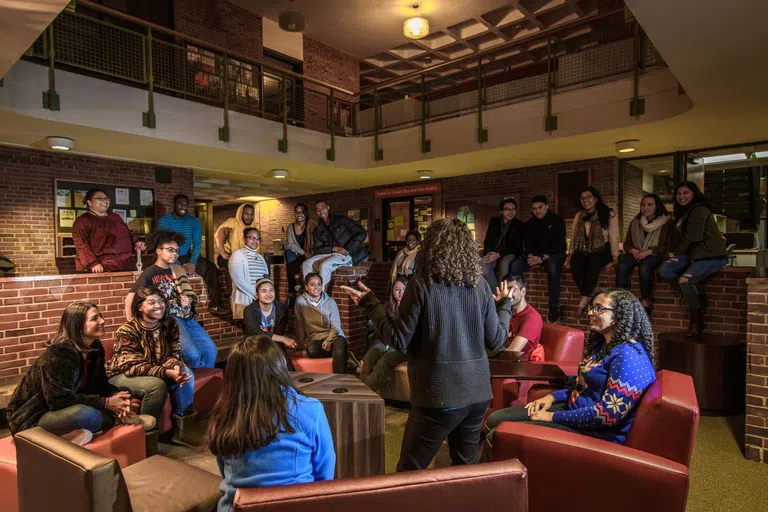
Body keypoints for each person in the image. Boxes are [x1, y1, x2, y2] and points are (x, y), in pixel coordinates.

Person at [341, 218, 514, 472]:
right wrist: (505, 306)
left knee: (409, 473)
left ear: (431, 247)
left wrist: (370, 303)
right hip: (477, 395)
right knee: (465, 471)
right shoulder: (479, 286)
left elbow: (399, 339)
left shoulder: (421, 285)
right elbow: (497, 340)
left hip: (439, 396)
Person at [485, 288, 656, 446]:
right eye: (592, 307)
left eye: (598, 308)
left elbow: (606, 415)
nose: (590, 312)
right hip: (573, 412)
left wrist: (552, 417)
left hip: (594, 433)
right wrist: (551, 398)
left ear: (619, 316)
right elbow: (582, 387)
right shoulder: (605, 346)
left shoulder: (629, 355)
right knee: (495, 419)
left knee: (498, 435)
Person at [206, 336, 335, 512]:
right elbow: (325, 474)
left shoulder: (223, 412)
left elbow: (224, 468)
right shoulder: (311, 409)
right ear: (279, 366)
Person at [5, 301, 154, 445]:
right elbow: (58, 401)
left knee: (124, 392)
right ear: (78, 326)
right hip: (33, 416)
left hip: (64, 406)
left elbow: (100, 385)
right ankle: (114, 420)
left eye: (100, 316)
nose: (102, 321)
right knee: (83, 414)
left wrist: (116, 396)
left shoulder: (95, 347)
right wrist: (107, 403)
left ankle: (70, 435)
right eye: (95, 318)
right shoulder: (60, 354)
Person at [107, 287, 199, 447]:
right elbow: (132, 366)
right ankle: (146, 440)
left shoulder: (170, 323)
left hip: (155, 368)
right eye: (151, 302)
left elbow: (174, 351)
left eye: (161, 301)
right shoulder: (128, 330)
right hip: (122, 374)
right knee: (156, 385)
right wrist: (167, 372)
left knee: (185, 372)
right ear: (140, 306)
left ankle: (182, 432)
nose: (159, 305)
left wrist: (175, 367)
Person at [125, 229, 217, 369]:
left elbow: (187, 293)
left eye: (176, 251)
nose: (174, 253)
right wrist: (134, 328)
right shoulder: (151, 272)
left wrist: (188, 300)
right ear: (158, 251)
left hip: (188, 317)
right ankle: (193, 381)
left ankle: (203, 381)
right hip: (170, 320)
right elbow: (130, 299)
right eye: (170, 250)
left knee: (211, 351)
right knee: (192, 354)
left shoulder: (178, 269)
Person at [658, 182, 728, 336]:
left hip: (710, 256)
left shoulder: (700, 210)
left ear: (694, 194)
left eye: (685, 193)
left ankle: (696, 322)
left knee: (685, 281)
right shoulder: (684, 212)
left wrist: (675, 253)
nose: (681, 196)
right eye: (678, 193)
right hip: (693, 256)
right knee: (665, 270)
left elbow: (693, 236)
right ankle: (695, 297)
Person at [158, 194, 225, 314]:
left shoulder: (194, 221)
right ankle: (178, 308)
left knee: (211, 267)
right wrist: (178, 265)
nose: (183, 207)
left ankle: (215, 305)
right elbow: (161, 243)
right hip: (168, 256)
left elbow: (198, 243)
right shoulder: (164, 220)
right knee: (175, 274)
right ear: (174, 204)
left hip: (186, 256)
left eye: (186, 205)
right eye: (180, 204)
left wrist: (192, 262)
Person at [615, 193, 677, 315]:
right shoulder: (636, 222)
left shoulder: (667, 223)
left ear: (657, 206)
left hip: (655, 255)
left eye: (649, 204)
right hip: (637, 253)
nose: (645, 208)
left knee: (645, 265)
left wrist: (650, 251)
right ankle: (621, 298)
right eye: (643, 204)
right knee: (622, 262)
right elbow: (627, 244)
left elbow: (670, 246)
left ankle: (645, 300)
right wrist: (634, 251)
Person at [509, 195, 567, 323]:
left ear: (547, 206)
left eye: (540, 207)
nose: (537, 211)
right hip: (535, 255)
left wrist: (542, 258)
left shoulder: (557, 220)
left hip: (555, 253)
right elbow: (528, 243)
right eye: (534, 208)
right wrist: (532, 256)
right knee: (515, 266)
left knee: (552, 267)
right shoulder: (529, 224)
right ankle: (517, 301)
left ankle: (553, 306)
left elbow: (559, 244)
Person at [568, 187, 620, 317]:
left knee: (593, 263)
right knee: (576, 262)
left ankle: (582, 304)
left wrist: (615, 257)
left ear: (596, 198)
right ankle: (590, 298)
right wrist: (570, 255)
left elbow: (614, 236)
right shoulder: (579, 216)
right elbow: (574, 237)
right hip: (584, 249)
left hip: (602, 249)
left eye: (588, 197)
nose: (585, 200)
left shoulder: (608, 213)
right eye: (582, 198)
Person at [72, 188, 144, 273]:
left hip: (124, 265)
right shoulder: (83, 221)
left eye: (106, 198)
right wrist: (93, 263)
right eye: (99, 199)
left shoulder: (115, 217)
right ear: (89, 202)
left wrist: (136, 242)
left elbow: (127, 234)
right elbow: (81, 244)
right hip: (100, 268)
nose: (104, 201)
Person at [303, 200, 368, 291]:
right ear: (316, 213)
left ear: (328, 208)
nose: (321, 211)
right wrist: (334, 248)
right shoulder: (318, 230)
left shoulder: (342, 221)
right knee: (306, 264)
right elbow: (317, 249)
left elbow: (362, 232)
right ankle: (309, 294)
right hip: (331, 253)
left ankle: (321, 296)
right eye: (318, 210)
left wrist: (348, 249)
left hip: (347, 254)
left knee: (325, 266)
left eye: (323, 208)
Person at [358, 277, 408, 390]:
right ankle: (360, 391)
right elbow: (379, 332)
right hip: (384, 341)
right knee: (371, 354)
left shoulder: (412, 308)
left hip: (401, 346)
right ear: (392, 291)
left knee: (385, 359)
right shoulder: (386, 307)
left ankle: (363, 392)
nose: (400, 292)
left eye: (404, 289)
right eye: (397, 289)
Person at [294, 272, 349, 374]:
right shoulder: (300, 301)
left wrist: (328, 341)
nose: (316, 287)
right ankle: (347, 358)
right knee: (311, 349)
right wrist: (301, 343)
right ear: (306, 287)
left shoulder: (330, 302)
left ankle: (340, 379)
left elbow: (336, 327)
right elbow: (300, 324)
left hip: (335, 337)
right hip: (316, 339)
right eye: (312, 284)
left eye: (319, 284)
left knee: (339, 348)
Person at [243, 277, 297, 371]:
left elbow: (280, 330)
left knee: (285, 363)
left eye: (271, 290)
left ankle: (290, 383)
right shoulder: (249, 310)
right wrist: (284, 339)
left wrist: (284, 341)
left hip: (274, 342)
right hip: (255, 342)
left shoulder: (281, 308)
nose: (268, 294)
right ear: (257, 294)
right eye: (264, 291)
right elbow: (256, 332)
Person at [215, 203, 258, 296]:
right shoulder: (232, 222)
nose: (249, 216)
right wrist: (224, 253)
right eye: (246, 213)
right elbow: (219, 234)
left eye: (251, 214)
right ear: (240, 213)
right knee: (234, 266)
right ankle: (233, 297)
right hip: (228, 256)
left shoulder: (253, 227)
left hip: (244, 258)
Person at [482, 198, 524, 291]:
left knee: (504, 264)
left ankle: (504, 296)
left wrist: (498, 254)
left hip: (509, 253)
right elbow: (488, 239)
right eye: (507, 209)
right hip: (493, 252)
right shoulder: (494, 221)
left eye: (513, 209)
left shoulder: (520, 225)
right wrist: (489, 253)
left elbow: (516, 246)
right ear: (501, 211)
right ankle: (497, 296)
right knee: (485, 269)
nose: (511, 212)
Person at [228, 227, 269, 319]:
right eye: (251, 237)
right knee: (249, 329)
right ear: (245, 239)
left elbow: (266, 278)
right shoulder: (237, 254)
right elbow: (238, 280)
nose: (255, 240)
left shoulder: (260, 257)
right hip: (246, 299)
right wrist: (257, 294)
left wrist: (265, 294)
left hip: (260, 299)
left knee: (261, 329)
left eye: (257, 238)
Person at [502, 273, 543, 360]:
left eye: (512, 289)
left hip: (521, 366)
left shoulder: (532, 317)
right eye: (505, 289)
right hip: (504, 362)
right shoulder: (507, 312)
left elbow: (513, 351)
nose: (508, 293)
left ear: (523, 291)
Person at [284, 203, 317, 298]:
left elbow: (317, 240)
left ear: (306, 213)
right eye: (297, 212)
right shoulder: (290, 227)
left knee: (290, 266)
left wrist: (309, 253)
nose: (299, 215)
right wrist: (303, 252)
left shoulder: (312, 224)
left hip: (310, 254)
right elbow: (290, 244)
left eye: (302, 212)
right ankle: (297, 279)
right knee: (288, 252)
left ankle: (292, 290)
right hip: (297, 254)